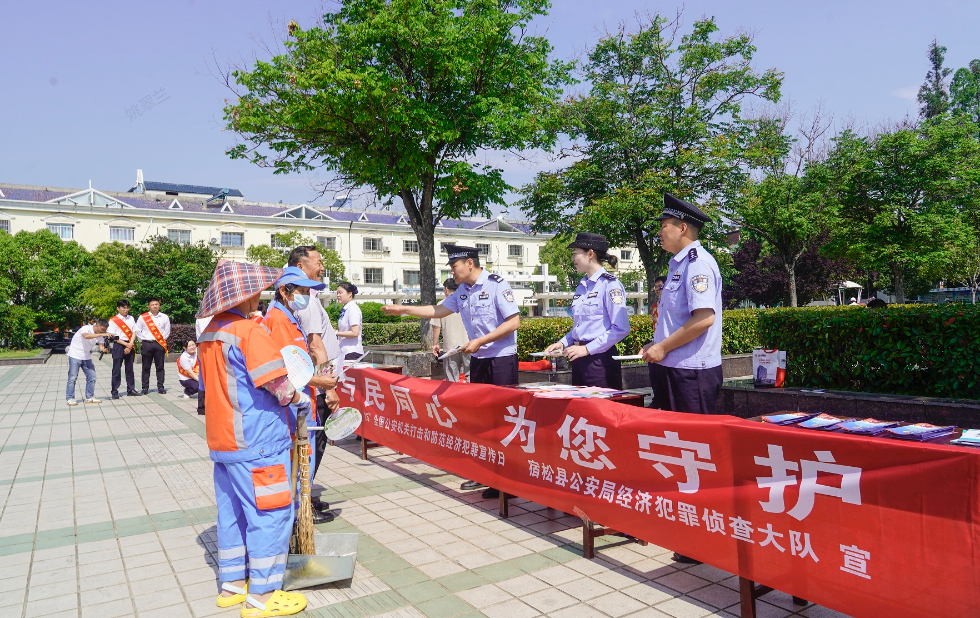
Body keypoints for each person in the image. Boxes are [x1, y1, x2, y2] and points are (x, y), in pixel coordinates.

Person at [197, 260, 310, 617]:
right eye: (256, 292)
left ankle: (232, 586)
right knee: (271, 515)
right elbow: (277, 385)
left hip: (222, 443)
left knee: (232, 515)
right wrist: (300, 398)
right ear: (244, 295)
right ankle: (263, 595)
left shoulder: (209, 335)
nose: (259, 298)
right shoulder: (249, 332)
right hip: (258, 442)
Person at [382, 244, 521, 499]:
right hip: (478, 360)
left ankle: (510, 482)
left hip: (501, 360)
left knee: (504, 422)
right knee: (484, 422)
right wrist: (404, 309)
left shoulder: (496, 284)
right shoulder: (463, 292)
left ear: (469, 263)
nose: (452, 272)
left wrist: (481, 340)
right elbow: (437, 310)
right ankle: (491, 478)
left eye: (454, 267)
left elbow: (514, 322)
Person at [640, 193, 723, 565]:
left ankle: (702, 537)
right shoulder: (677, 265)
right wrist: (657, 345)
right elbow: (677, 319)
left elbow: (703, 318)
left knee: (696, 454)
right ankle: (685, 525)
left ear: (682, 228)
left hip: (693, 373)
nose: (660, 232)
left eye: (664, 226)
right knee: (677, 451)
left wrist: (663, 348)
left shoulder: (698, 264)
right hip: (673, 368)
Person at [263, 266, 340, 524]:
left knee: (304, 458)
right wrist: (323, 381)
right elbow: (288, 371)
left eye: (309, 291)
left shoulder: (289, 316)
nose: (306, 296)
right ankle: (299, 514)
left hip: (302, 401)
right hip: (294, 405)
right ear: (284, 292)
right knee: (300, 459)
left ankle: (302, 508)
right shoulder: (279, 320)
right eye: (303, 291)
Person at [286, 245, 342, 513]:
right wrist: (328, 389)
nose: (322, 267)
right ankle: (303, 500)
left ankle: (306, 494)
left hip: (315, 385)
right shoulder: (303, 299)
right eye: (318, 262)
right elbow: (315, 345)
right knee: (313, 445)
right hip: (316, 388)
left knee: (313, 445)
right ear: (300, 266)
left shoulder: (306, 296)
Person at [544, 233, 630, 388]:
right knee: (581, 410)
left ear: (590, 253)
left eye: (575, 253)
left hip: (600, 361)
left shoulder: (610, 285)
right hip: (578, 356)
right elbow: (581, 326)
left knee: (601, 410)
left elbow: (621, 329)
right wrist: (563, 343)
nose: (573, 259)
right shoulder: (582, 286)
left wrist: (587, 349)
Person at [432, 278, 471, 382]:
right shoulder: (467, 301)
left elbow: (436, 326)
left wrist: (435, 344)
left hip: (451, 346)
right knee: (471, 375)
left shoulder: (441, 305)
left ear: (446, 289)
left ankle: (453, 397)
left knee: (451, 377)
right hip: (468, 344)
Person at [66, 318, 109, 405]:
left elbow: (101, 347)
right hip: (75, 355)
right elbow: (86, 336)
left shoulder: (101, 335)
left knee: (92, 376)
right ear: (96, 325)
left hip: (87, 356)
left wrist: (104, 349)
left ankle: (89, 397)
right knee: (72, 377)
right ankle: (70, 398)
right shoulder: (86, 328)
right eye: (102, 329)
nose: (103, 331)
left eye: (105, 330)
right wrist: (103, 334)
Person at [135, 298, 171, 395]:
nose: (155, 306)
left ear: (159, 305)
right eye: (152, 305)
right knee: (146, 367)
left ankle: (160, 387)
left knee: (160, 367)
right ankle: (145, 388)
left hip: (159, 344)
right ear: (148, 306)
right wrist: (143, 340)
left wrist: (161, 340)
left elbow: (167, 331)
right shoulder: (143, 317)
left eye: (156, 304)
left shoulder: (164, 317)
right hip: (147, 344)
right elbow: (137, 330)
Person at [107, 299, 139, 399]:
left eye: (127, 308)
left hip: (130, 344)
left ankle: (131, 389)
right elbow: (113, 337)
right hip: (119, 345)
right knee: (116, 369)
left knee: (129, 369)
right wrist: (126, 344)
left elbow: (134, 332)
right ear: (118, 308)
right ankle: (114, 391)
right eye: (123, 308)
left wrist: (130, 344)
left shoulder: (131, 318)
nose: (126, 310)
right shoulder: (113, 320)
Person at [336, 282, 364, 360]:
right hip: (345, 352)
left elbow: (355, 332)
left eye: (340, 292)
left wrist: (336, 333)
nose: (338, 295)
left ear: (349, 294)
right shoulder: (346, 309)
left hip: (352, 353)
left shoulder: (353, 309)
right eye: (337, 293)